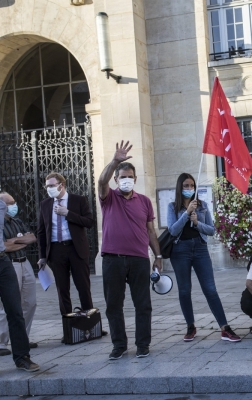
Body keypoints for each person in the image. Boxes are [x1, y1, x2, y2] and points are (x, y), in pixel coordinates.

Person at [98, 141, 162, 360]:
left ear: (135, 179)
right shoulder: (108, 198)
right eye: (122, 177)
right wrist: (116, 160)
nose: (126, 180)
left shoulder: (144, 201)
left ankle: (143, 344)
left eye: (129, 177)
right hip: (112, 259)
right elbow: (101, 180)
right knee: (113, 305)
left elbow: (151, 230)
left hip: (139, 259)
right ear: (116, 180)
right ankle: (119, 345)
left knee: (142, 304)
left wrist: (158, 255)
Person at [167, 173, 240, 343]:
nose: (189, 189)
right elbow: (173, 230)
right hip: (180, 250)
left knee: (210, 289)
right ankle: (190, 326)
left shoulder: (203, 206)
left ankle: (224, 327)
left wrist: (197, 222)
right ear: (180, 187)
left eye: (192, 185)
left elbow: (212, 230)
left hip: (200, 248)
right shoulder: (173, 207)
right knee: (184, 290)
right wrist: (187, 214)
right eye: (186, 186)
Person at [37, 173, 97, 324]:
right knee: (62, 290)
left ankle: (89, 325)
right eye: (47, 186)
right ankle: (69, 327)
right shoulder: (45, 204)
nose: (49, 189)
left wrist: (68, 213)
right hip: (56, 250)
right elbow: (41, 231)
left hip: (75, 248)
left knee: (83, 287)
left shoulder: (78, 200)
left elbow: (89, 222)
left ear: (61, 185)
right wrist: (42, 256)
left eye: (51, 185)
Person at [0, 198, 39, 372]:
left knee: (15, 310)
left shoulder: (1, 206)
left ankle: (22, 357)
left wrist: (11, 243)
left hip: (2, 261)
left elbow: (9, 243)